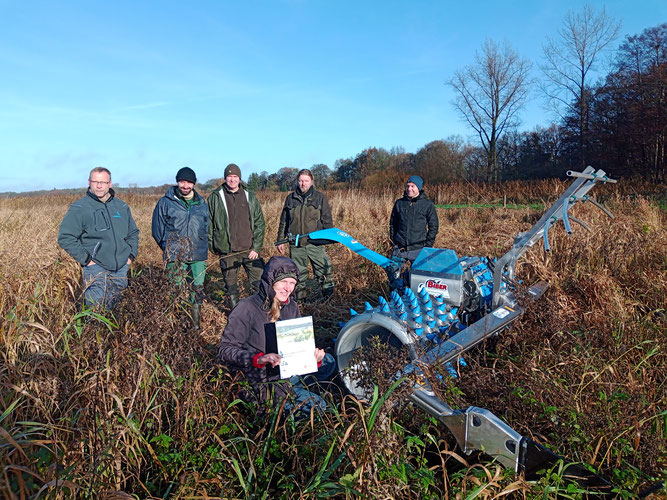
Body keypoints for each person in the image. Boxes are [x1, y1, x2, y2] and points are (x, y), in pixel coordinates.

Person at [217, 256, 335, 412]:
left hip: (285, 370)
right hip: (260, 378)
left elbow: (299, 345)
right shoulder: (246, 307)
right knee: (318, 407)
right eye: (283, 282)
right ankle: (287, 396)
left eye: (292, 283)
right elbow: (224, 349)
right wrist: (258, 359)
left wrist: (313, 358)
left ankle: (295, 385)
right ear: (270, 282)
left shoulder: (291, 306)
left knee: (328, 362)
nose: (288, 288)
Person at [58, 167, 139, 309]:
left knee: (118, 309)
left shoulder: (121, 206)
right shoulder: (80, 207)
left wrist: (130, 256)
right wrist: (87, 260)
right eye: (96, 182)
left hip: (120, 268)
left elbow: (133, 233)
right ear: (89, 182)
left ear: (110, 183)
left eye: (103, 182)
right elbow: (65, 237)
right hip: (96, 269)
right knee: (95, 311)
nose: (99, 186)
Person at [151, 167, 209, 331]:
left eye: (189, 182)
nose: (185, 185)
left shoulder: (202, 203)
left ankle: (195, 326)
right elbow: (157, 229)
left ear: (193, 184)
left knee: (197, 290)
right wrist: (167, 247)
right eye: (182, 181)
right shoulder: (166, 202)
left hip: (198, 255)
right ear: (177, 182)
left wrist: (205, 244)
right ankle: (175, 325)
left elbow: (207, 227)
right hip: (175, 256)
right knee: (174, 290)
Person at [208, 163, 265, 310]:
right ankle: (235, 315)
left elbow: (259, 223)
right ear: (225, 178)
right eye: (229, 176)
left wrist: (256, 247)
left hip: (250, 250)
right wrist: (214, 246)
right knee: (230, 286)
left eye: (235, 176)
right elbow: (208, 224)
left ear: (239, 178)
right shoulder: (215, 197)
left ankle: (260, 312)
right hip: (227, 251)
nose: (232, 180)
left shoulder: (249, 196)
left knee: (258, 283)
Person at [277, 169, 334, 301]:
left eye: (306, 181)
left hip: (316, 244)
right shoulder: (290, 198)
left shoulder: (320, 198)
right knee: (298, 275)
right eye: (301, 180)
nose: (303, 183)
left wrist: (327, 239)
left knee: (324, 272)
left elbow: (327, 220)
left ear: (311, 182)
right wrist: (280, 240)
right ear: (297, 181)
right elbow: (284, 221)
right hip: (296, 244)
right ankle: (301, 303)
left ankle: (328, 300)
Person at [389, 175, 439, 262]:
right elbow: (393, 223)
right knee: (393, 272)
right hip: (400, 249)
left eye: (412, 186)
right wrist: (394, 242)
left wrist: (427, 246)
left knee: (418, 275)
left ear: (419, 188)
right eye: (408, 186)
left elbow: (434, 226)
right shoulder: (399, 203)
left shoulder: (427, 205)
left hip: (418, 249)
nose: (409, 189)